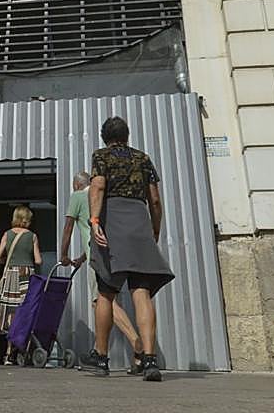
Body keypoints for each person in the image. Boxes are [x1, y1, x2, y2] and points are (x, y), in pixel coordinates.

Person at [86, 116, 174, 381]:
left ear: (105, 137)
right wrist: (155, 229)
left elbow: (98, 186)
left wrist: (94, 220)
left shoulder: (101, 156)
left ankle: (101, 357)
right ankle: (149, 359)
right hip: (139, 222)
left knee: (106, 292)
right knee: (141, 291)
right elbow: (155, 200)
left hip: (113, 221)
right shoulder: (143, 159)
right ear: (127, 134)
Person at [60, 170, 146, 374]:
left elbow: (68, 227)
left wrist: (63, 254)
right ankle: (113, 355)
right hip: (116, 255)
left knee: (101, 302)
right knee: (106, 301)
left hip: (98, 258)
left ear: (77, 185)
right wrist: (81, 258)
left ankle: (134, 346)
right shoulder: (102, 198)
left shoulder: (78, 196)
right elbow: (93, 230)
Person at [0, 204, 43, 365]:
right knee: (25, 311)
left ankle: (8, 354)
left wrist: (6, 262)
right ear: (28, 220)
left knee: (10, 312)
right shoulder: (32, 236)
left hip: (10, 275)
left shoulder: (7, 235)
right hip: (26, 276)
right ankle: (22, 349)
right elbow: (38, 260)